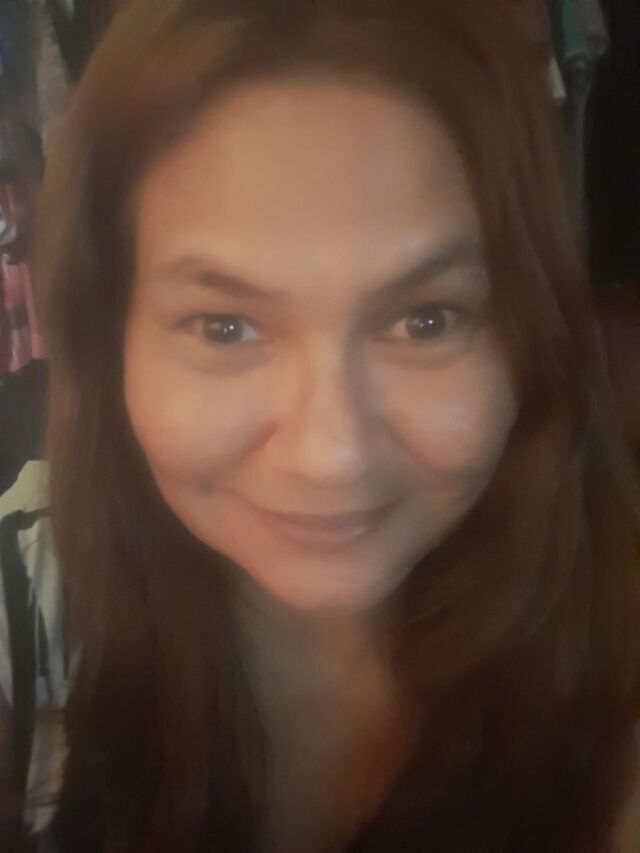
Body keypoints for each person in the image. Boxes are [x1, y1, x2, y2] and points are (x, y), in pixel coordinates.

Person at [1, 0, 639, 851]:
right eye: (225, 326)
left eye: (425, 320)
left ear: (530, 328)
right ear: (107, 335)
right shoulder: (24, 612)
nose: (331, 455)